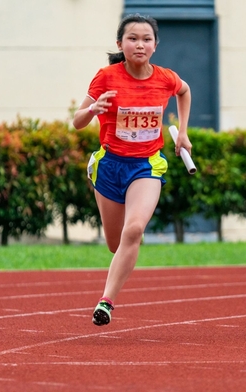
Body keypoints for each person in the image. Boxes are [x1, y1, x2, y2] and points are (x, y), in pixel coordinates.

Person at [72, 14, 192, 326]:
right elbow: (76, 120)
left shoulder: (165, 78)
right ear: (120, 44)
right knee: (116, 243)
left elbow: (184, 91)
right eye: (133, 39)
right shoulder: (106, 77)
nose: (140, 44)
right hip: (111, 165)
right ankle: (94, 168)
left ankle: (106, 301)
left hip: (146, 165)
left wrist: (184, 133)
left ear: (155, 45)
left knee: (134, 229)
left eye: (146, 39)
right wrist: (92, 110)